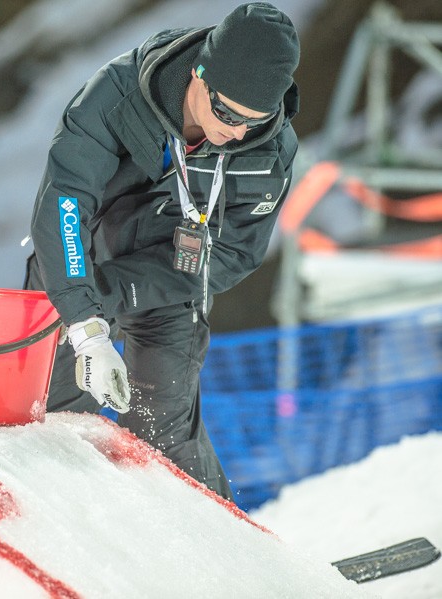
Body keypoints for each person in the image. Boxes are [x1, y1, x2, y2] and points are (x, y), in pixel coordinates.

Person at [24, 2, 300, 501]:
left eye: (253, 121)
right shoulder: (118, 94)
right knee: (39, 414)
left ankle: (224, 561)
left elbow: (237, 252)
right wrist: (86, 323)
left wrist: (128, 287)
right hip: (77, 267)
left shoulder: (270, 149)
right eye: (227, 113)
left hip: (173, 278)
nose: (236, 132)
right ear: (199, 75)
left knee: (163, 437)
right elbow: (63, 203)